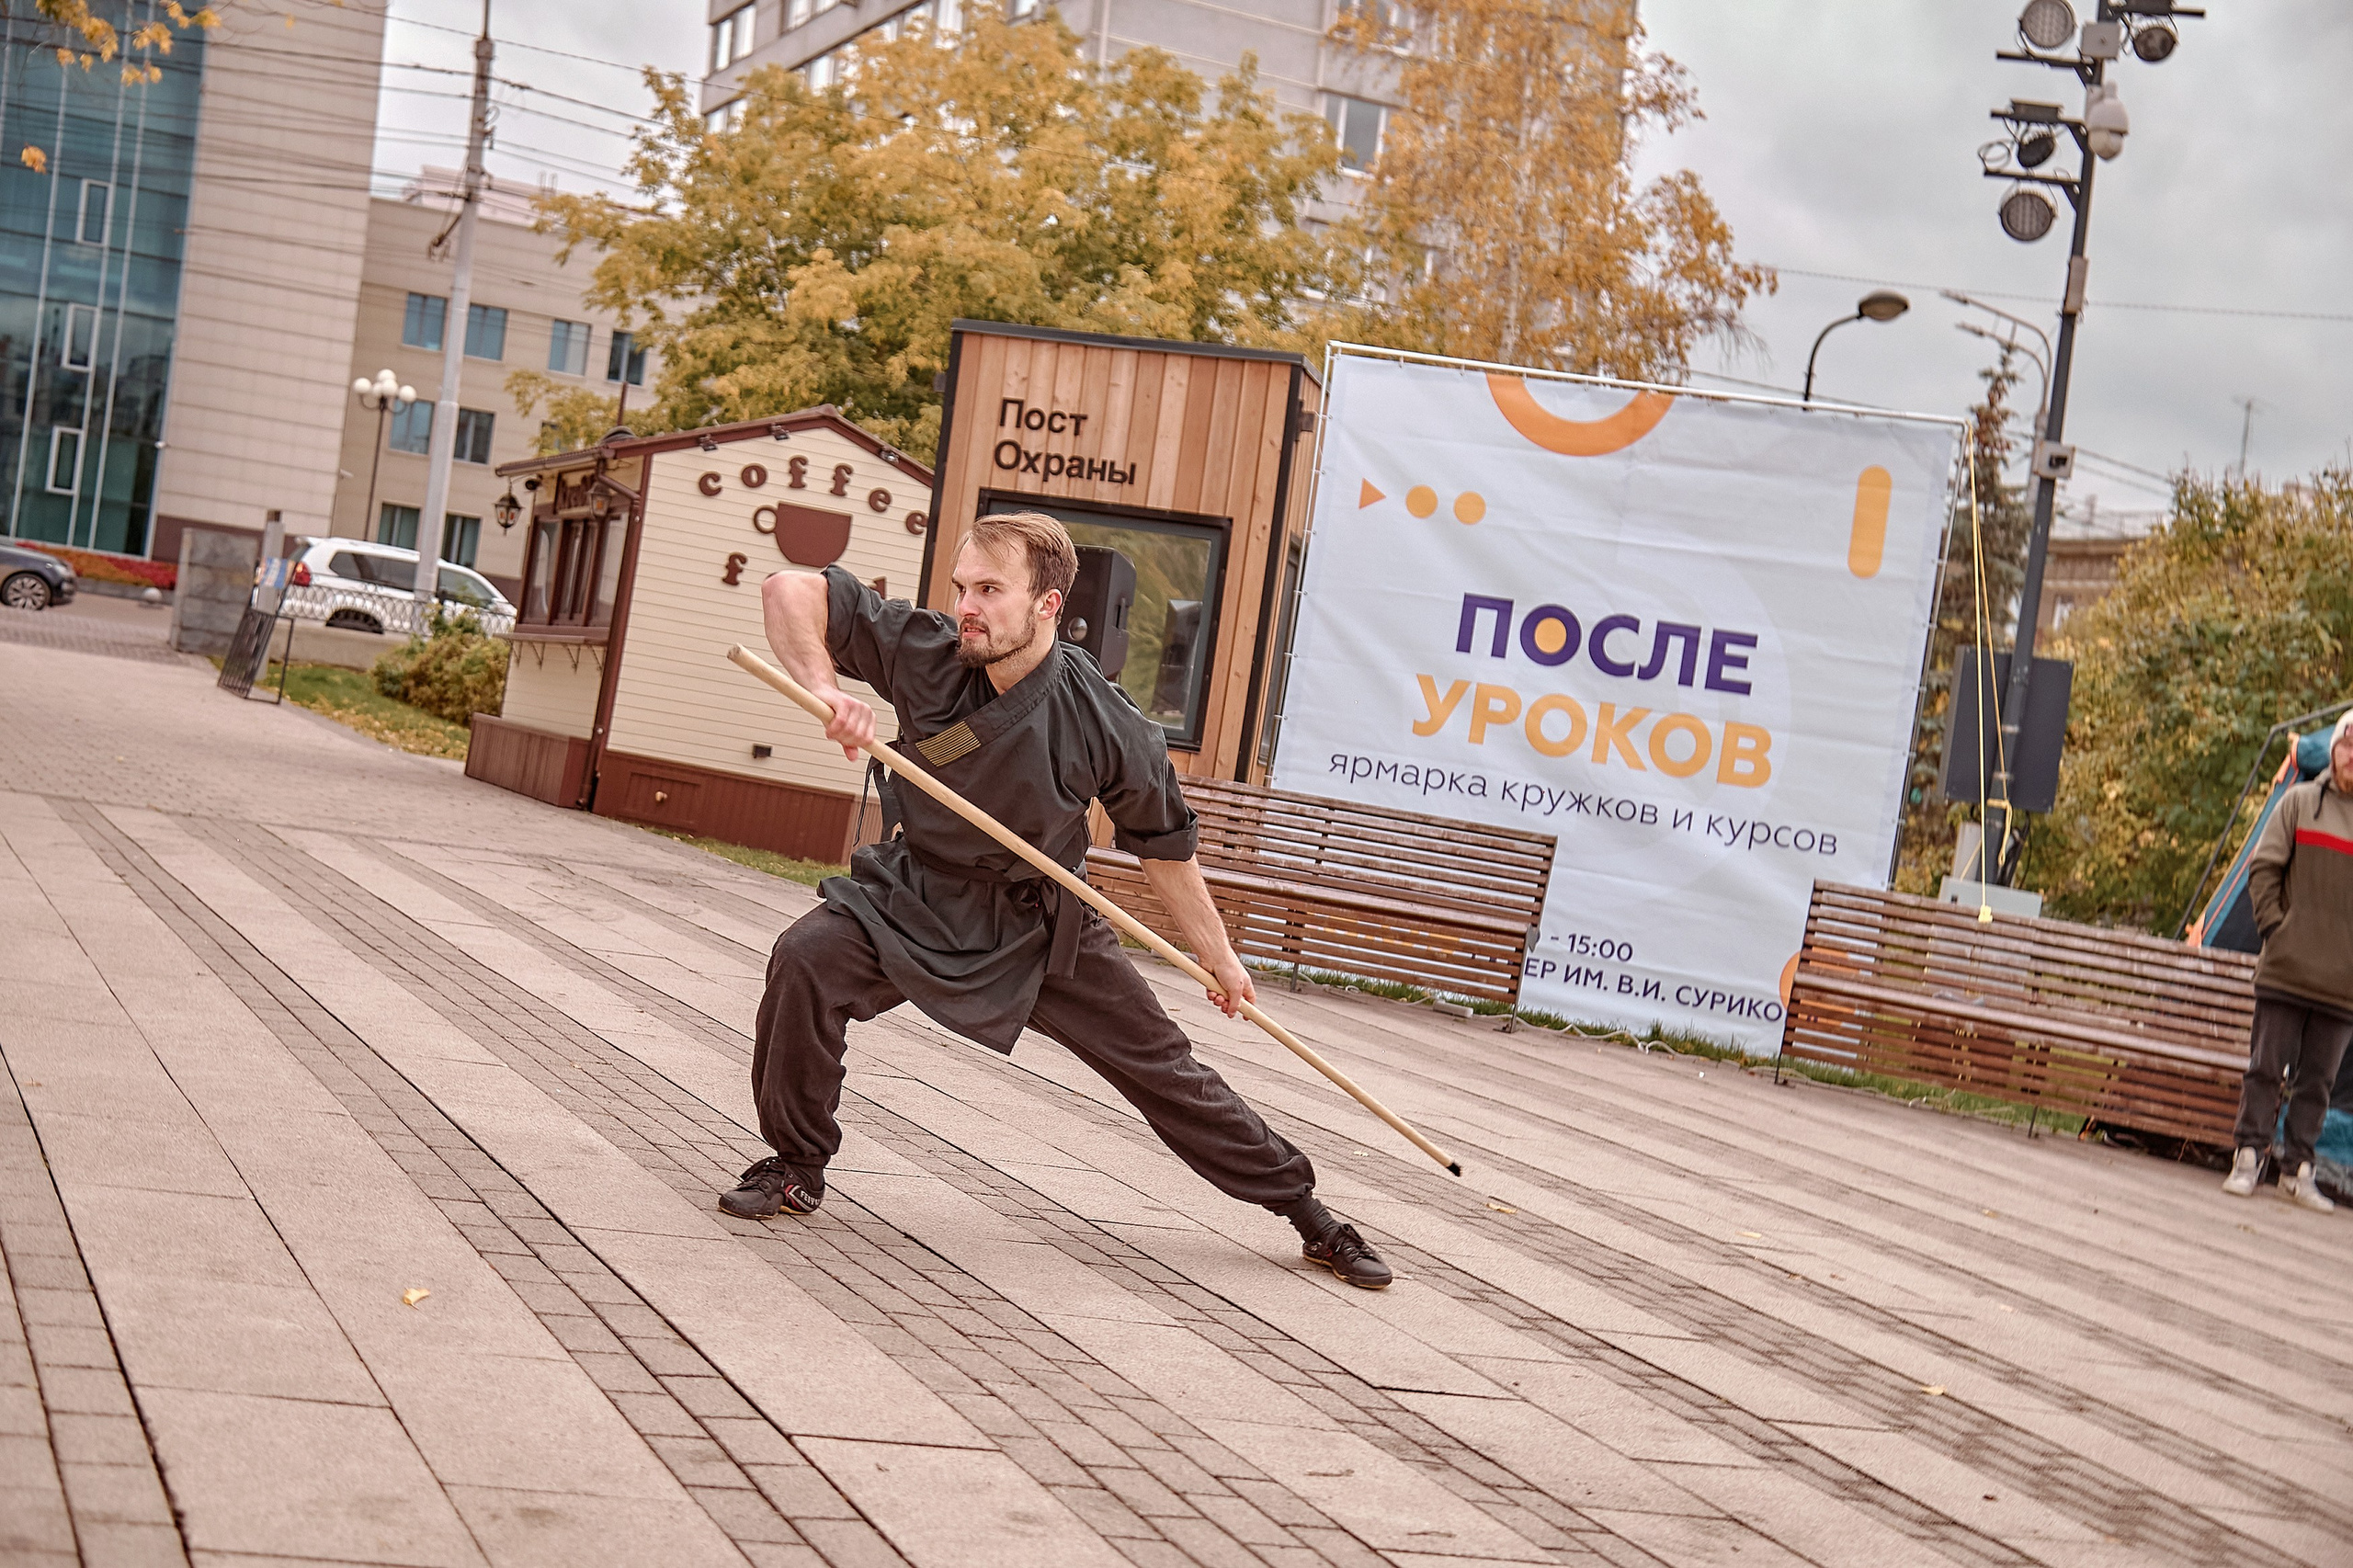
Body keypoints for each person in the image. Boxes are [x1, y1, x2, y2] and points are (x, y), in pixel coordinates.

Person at [721, 512, 1392, 1288]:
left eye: (990, 590)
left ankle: (1309, 1213)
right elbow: (789, 589)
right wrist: (826, 690)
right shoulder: (929, 652)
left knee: (1165, 1070)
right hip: (916, 893)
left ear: (1048, 604)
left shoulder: (1108, 722)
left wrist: (1219, 957)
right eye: (962, 587)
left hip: (1039, 924)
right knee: (806, 958)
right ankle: (797, 1165)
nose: (967, 606)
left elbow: (1166, 848)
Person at [2222, 710, 2353, 1212]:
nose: (2352, 756)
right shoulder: (2299, 803)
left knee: (2317, 1084)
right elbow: (2264, 869)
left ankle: (2298, 1171)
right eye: (2346, 745)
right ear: (2335, 750)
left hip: (2342, 982)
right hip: (2286, 968)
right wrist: (2277, 931)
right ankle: (2248, 1157)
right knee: (2264, 1070)